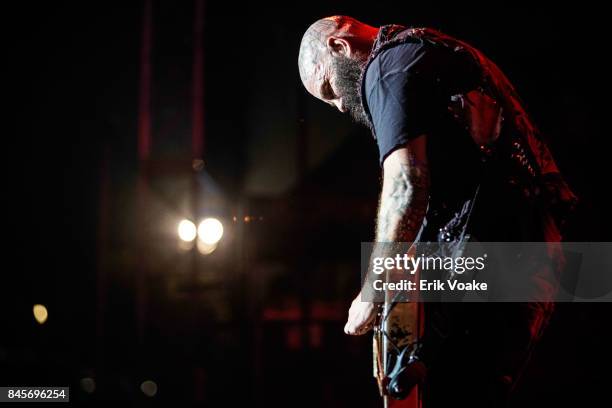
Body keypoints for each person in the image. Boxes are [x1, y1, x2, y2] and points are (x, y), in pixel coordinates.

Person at [298, 16, 577, 406]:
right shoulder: (426, 51)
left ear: (340, 48)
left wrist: (372, 291)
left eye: (330, 90)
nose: (341, 105)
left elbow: (406, 185)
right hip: (530, 256)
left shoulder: (386, 67)